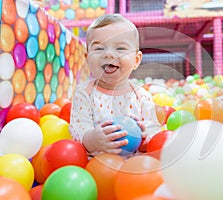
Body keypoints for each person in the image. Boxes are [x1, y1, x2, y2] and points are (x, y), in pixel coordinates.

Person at [69, 14, 161, 156]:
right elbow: (78, 128)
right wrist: (93, 140)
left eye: (120, 48)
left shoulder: (141, 95)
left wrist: (144, 139)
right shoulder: (84, 92)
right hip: (97, 167)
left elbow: (154, 133)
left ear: (136, 60)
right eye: (99, 49)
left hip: (134, 167)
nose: (109, 54)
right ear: (87, 59)